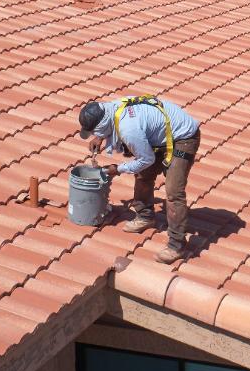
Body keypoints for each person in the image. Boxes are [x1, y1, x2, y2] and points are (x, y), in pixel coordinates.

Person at [78, 96, 201, 263]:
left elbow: (146, 160)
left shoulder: (129, 129)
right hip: (160, 135)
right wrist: (100, 138)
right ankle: (145, 216)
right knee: (143, 175)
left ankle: (176, 245)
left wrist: (118, 169)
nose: (94, 135)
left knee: (174, 191)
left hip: (183, 138)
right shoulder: (110, 108)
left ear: (103, 126)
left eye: (96, 132)